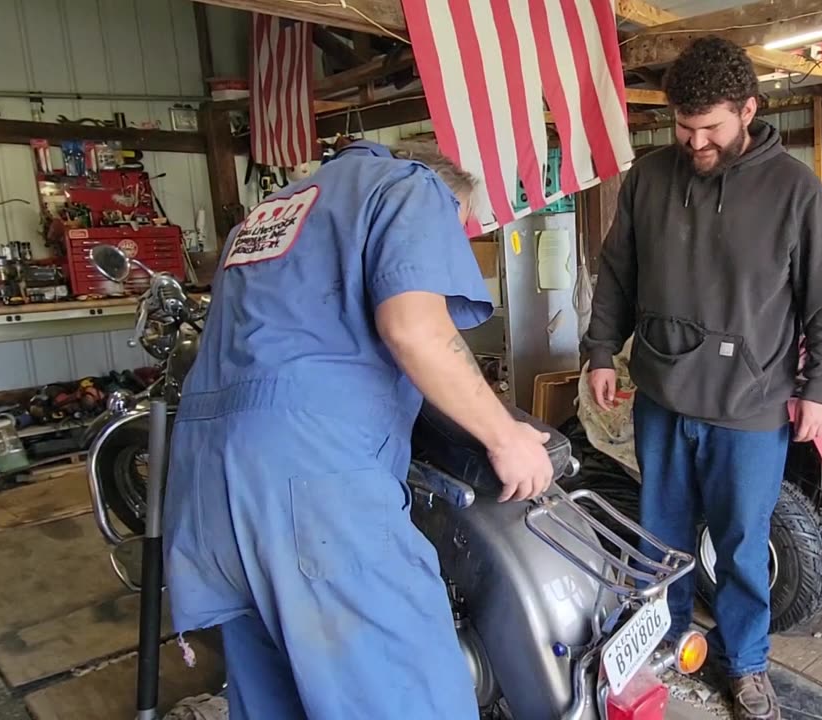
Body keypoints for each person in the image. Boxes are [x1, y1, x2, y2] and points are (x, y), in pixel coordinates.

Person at [163, 138, 555, 719]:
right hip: (309, 489)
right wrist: (507, 436)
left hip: (203, 488)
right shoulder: (412, 187)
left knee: (278, 694)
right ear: (450, 199)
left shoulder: (276, 209)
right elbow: (416, 331)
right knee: (407, 694)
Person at [581, 37, 822, 720]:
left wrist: (820, 386)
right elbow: (616, 273)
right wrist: (598, 351)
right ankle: (670, 640)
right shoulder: (648, 179)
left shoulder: (795, 190)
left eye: (711, 128)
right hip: (663, 396)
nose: (696, 141)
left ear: (748, 111)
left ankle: (747, 663)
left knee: (739, 544)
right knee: (661, 537)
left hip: (752, 403)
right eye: (684, 126)